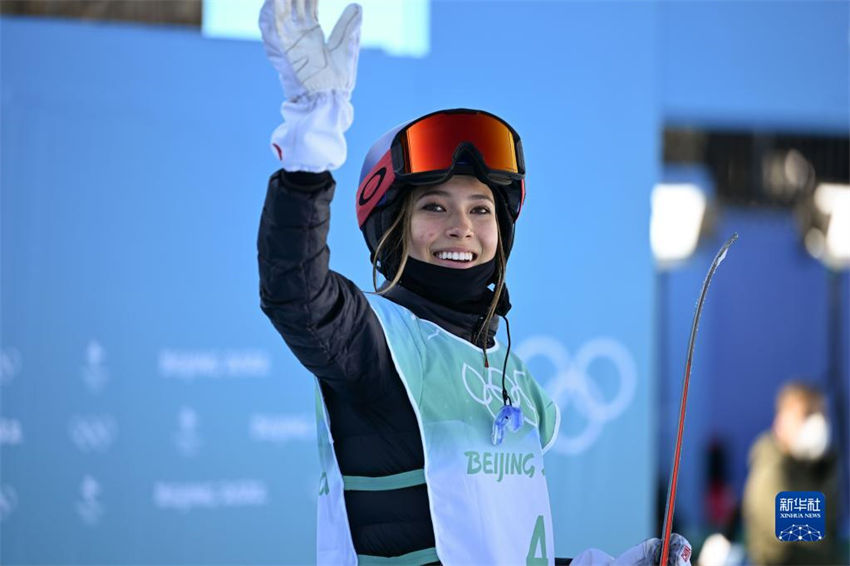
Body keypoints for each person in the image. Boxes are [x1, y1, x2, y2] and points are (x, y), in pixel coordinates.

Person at [256, 1, 693, 564]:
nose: (461, 227)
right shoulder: (372, 344)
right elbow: (294, 290)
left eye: (481, 210)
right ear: (393, 230)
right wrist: (310, 140)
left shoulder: (513, 376)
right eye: (435, 206)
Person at [742, 381, 842, 565]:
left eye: (821, 414)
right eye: (807, 415)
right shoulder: (770, 466)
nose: (817, 423)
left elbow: (831, 524)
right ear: (782, 421)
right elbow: (791, 532)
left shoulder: (819, 466)